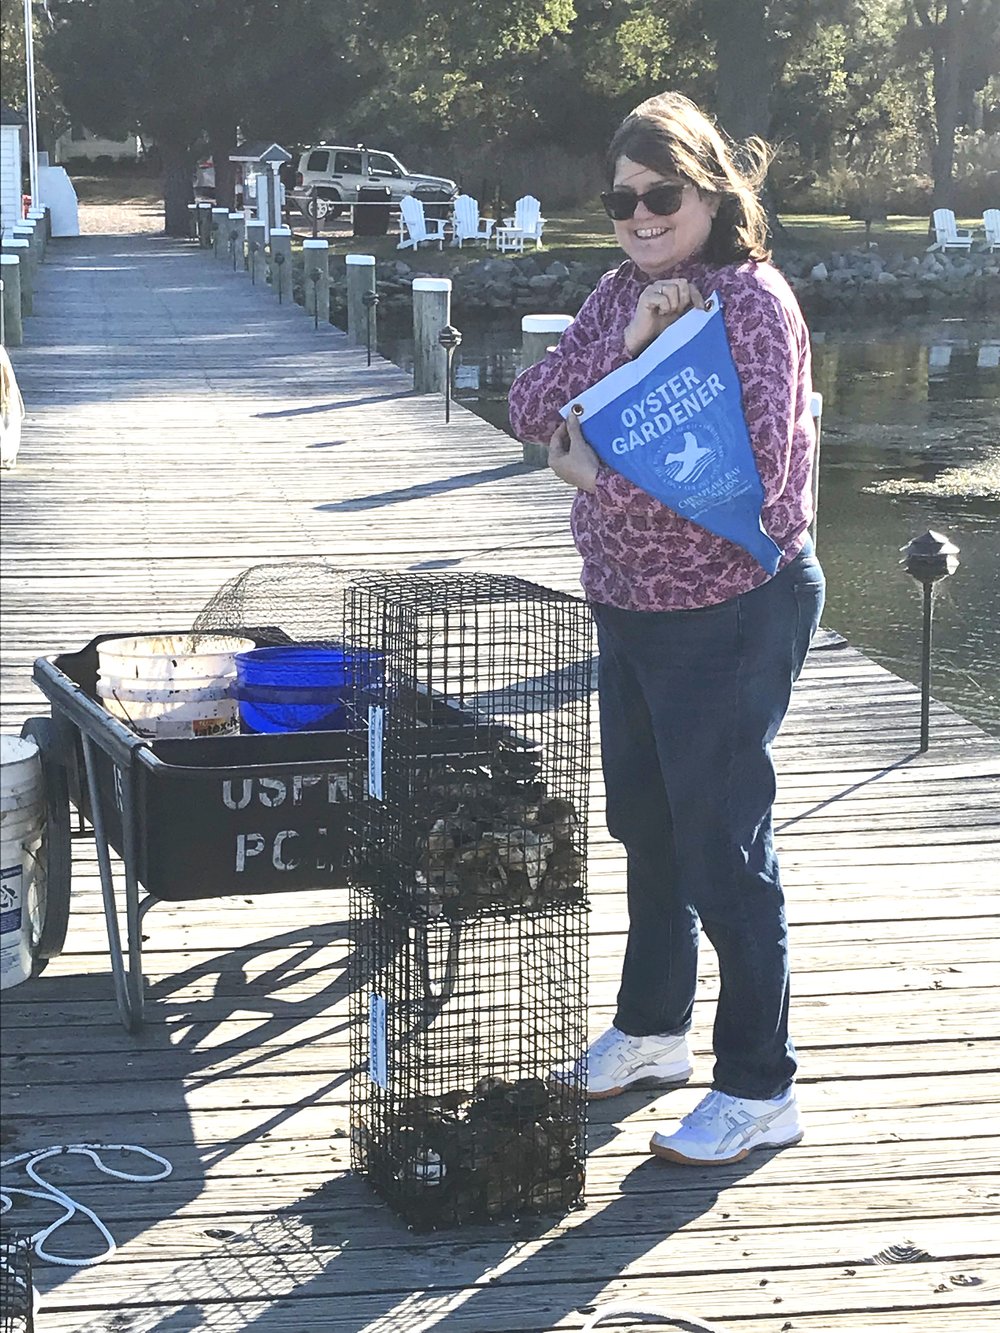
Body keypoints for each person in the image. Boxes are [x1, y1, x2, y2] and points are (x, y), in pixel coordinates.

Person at [508, 92, 825, 1166]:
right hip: (631, 607)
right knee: (646, 827)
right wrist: (630, 349)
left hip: (732, 610)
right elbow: (528, 402)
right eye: (621, 199)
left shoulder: (751, 305)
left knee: (723, 848)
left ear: (712, 190)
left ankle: (758, 1085)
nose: (640, 216)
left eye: (662, 195)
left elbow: (751, 483)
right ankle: (652, 1032)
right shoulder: (618, 292)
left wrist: (587, 465)